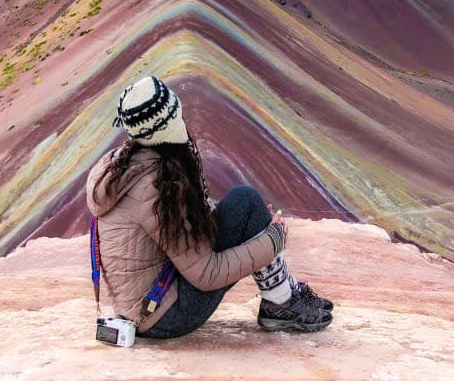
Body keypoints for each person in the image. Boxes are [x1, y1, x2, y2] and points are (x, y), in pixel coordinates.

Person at [85, 74, 333, 339]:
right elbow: (207, 274)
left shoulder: (120, 164)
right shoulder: (157, 187)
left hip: (143, 304)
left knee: (244, 204)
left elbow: (186, 232)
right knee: (246, 202)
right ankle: (281, 303)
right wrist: (273, 240)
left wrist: (249, 226)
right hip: (162, 316)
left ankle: (282, 299)